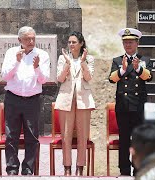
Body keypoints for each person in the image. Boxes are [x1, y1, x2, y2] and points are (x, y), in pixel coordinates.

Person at [1, 26, 50, 175]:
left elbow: (43, 79)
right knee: (11, 136)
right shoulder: (11, 53)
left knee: (32, 136)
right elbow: (5, 76)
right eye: (28, 39)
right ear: (19, 40)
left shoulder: (42, 54)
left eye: (33, 38)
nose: (31, 41)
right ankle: (12, 169)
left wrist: (37, 68)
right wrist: (16, 62)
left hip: (32, 100)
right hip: (13, 98)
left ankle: (28, 169)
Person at [109, 28, 153, 176]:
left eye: (131, 42)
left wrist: (138, 68)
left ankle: (138, 168)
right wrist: (122, 70)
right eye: (125, 42)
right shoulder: (117, 60)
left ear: (137, 43)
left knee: (138, 140)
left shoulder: (144, 60)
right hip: (123, 106)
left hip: (139, 106)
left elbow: (149, 77)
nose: (128, 45)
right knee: (124, 140)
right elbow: (111, 79)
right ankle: (124, 169)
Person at [54, 31, 95, 176]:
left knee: (83, 135)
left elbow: (89, 77)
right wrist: (67, 63)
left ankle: (80, 167)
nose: (71, 45)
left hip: (83, 100)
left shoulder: (88, 58)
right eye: (69, 42)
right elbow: (60, 78)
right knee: (66, 135)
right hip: (66, 99)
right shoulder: (62, 58)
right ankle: (67, 167)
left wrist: (83, 62)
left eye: (74, 42)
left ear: (81, 43)